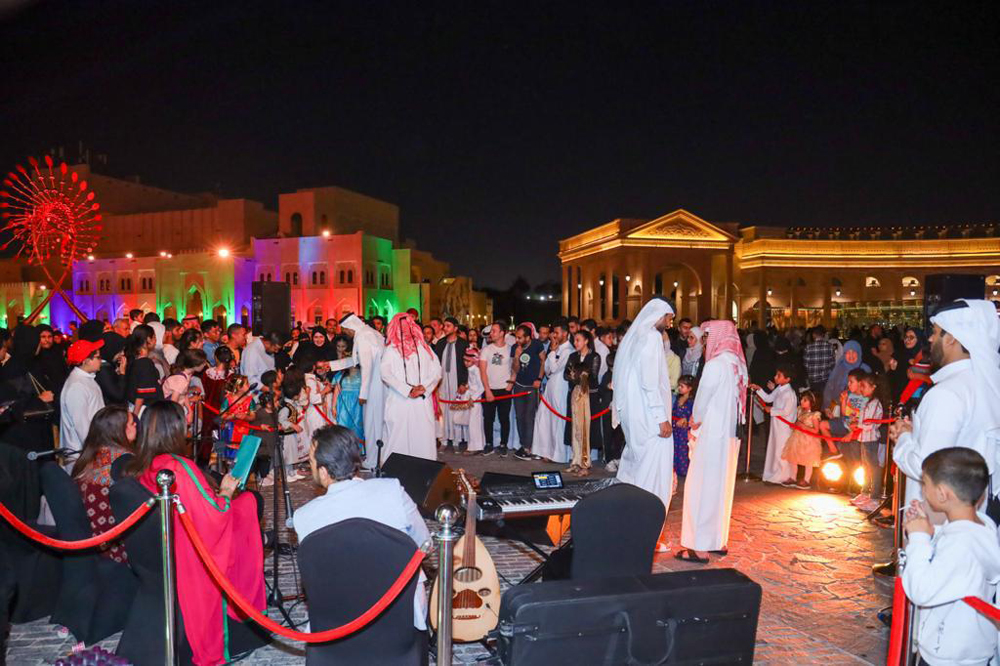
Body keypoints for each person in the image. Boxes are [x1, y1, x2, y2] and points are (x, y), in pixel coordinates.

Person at [126, 401, 266, 665]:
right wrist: (225, 491)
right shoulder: (178, 466)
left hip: (169, 540)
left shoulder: (145, 462)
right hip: (194, 545)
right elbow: (215, 514)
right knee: (248, 503)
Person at [292, 425, 431, 629]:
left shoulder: (304, 517)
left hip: (337, 622)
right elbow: (424, 545)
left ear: (323, 472)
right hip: (401, 616)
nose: (310, 466)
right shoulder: (392, 491)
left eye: (311, 462)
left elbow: (316, 578)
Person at [892, 300, 1000, 511]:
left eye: (935, 332)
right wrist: (916, 433)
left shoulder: (947, 393)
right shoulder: (982, 384)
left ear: (951, 338)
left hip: (938, 521)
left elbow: (928, 468)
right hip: (969, 514)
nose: (930, 338)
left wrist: (903, 438)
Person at [901, 447, 1000, 666]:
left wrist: (918, 538)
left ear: (943, 494)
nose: (922, 490)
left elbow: (921, 590)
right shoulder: (982, 525)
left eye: (924, 484)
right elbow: (958, 554)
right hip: (967, 647)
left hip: (948, 655)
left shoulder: (961, 545)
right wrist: (930, 531)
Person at [678, 319, 747, 563]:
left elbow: (701, 401)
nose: (706, 342)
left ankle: (699, 547)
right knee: (721, 488)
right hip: (728, 435)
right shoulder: (737, 363)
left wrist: (693, 422)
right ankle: (718, 540)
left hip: (711, 434)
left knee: (701, 487)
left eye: (707, 337)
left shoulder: (716, 365)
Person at [611, 298, 675, 549]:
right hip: (649, 419)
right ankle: (646, 533)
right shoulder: (650, 338)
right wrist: (661, 418)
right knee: (652, 473)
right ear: (658, 314)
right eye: (669, 317)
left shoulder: (636, 336)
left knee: (634, 468)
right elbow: (650, 382)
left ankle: (626, 524)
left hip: (636, 417)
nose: (669, 323)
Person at [70, 405, 136, 563]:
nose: (136, 427)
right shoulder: (124, 461)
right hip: (116, 548)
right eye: (132, 423)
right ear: (120, 430)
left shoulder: (88, 456)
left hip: (87, 543)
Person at [379, 313, 442, 461]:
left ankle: (425, 470)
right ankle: (395, 470)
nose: (406, 330)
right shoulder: (391, 349)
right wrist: (407, 390)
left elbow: (437, 371)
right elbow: (385, 373)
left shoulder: (424, 348)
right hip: (399, 400)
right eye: (402, 327)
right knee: (398, 435)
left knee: (422, 435)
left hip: (421, 400)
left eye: (409, 326)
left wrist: (424, 388)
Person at [339, 312, 387, 469]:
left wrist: (363, 393)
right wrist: (331, 365)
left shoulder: (363, 337)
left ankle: (373, 461)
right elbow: (356, 361)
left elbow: (366, 366)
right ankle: (378, 457)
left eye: (346, 330)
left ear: (351, 327)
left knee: (371, 423)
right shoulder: (371, 333)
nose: (346, 334)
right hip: (379, 385)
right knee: (377, 423)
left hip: (373, 387)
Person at [59, 339, 106, 466]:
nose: (101, 360)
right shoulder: (76, 386)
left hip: (93, 450)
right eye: (98, 357)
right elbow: (82, 426)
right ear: (86, 360)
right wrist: (97, 454)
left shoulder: (86, 379)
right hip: (83, 456)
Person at [532, 319, 572, 463]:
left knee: (557, 421)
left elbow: (556, 369)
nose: (554, 335)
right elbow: (548, 371)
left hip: (560, 389)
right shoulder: (556, 349)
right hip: (550, 388)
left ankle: (558, 454)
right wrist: (553, 353)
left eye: (556, 332)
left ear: (565, 333)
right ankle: (545, 451)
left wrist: (553, 352)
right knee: (544, 418)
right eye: (553, 332)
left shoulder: (568, 351)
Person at [753, 363, 797, 486]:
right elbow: (768, 398)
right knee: (774, 448)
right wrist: (758, 389)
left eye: (779, 375)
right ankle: (773, 473)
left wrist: (771, 410)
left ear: (787, 379)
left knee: (781, 449)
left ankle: (783, 475)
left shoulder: (789, 393)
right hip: (776, 424)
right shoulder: (779, 388)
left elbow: (786, 411)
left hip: (784, 426)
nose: (776, 377)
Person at [433, 317, 468, 453]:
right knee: (443, 409)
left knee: (456, 408)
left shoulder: (463, 344)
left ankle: (456, 440)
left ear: (455, 328)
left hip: (456, 380)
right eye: (444, 326)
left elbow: (465, 366)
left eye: (448, 326)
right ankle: (443, 439)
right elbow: (435, 365)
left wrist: (463, 382)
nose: (445, 328)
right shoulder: (440, 343)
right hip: (442, 381)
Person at [479, 321, 513, 456]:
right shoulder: (486, 349)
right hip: (489, 389)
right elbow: (483, 371)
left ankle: (503, 444)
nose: (491, 333)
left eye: (494, 331)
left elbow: (515, 367)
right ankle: (489, 444)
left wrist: (510, 384)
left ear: (502, 333)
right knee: (488, 418)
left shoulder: (510, 349)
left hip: (504, 389)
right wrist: (487, 390)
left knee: (504, 418)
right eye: (491, 331)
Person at [510, 324, 544, 461]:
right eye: (516, 337)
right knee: (519, 416)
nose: (517, 340)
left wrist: (539, 378)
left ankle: (529, 447)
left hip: (532, 386)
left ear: (528, 337)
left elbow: (543, 361)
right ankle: (524, 445)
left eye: (520, 337)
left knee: (529, 416)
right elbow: (515, 369)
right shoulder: (515, 348)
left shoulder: (536, 345)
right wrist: (517, 357)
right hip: (519, 385)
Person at [853, 373, 885, 512]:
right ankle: (865, 492)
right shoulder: (866, 401)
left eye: (864, 387)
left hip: (871, 438)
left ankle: (875, 497)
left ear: (873, 387)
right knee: (865, 466)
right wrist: (857, 424)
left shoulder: (875, 403)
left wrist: (859, 426)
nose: (861, 389)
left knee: (874, 467)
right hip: (864, 438)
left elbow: (872, 424)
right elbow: (863, 420)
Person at [781, 391, 823, 488]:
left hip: (809, 440)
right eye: (801, 400)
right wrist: (795, 425)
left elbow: (816, 430)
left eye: (805, 400)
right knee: (793, 457)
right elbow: (797, 422)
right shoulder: (800, 410)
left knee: (808, 460)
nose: (802, 402)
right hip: (797, 438)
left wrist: (803, 427)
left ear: (812, 402)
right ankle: (792, 477)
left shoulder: (814, 415)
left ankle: (806, 479)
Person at [331, 336, 364, 443]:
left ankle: (358, 449)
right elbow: (337, 389)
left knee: (358, 426)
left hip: (358, 404)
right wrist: (333, 406)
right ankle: (344, 448)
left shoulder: (363, 373)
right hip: (344, 402)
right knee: (343, 425)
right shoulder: (340, 374)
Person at [124, 325, 162, 416]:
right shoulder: (145, 363)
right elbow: (141, 394)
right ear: (148, 339)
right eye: (154, 337)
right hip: (144, 410)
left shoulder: (134, 359)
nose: (156, 341)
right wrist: (135, 417)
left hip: (137, 407)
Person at [566, 360, 594, 476]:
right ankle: (576, 462)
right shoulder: (577, 388)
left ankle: (584, 465)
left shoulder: (583, 391)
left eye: (573, 372)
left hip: (582, 420)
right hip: (576, 418)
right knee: (575, 437)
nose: (571, 374)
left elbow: (583, 410)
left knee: (583, 438)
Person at [672, 375, 696, 478]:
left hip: (684, 431)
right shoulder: (677, 399)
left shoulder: (691, 402)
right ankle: (675, 470)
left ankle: (685, 471)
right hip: (676, 428)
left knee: (684, 451)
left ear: (690, 388)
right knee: (675, 449)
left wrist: (686, 421)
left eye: (682, 386)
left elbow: (692, 416)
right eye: (679, 386)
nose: (679, 388)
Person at [804, 326, 836, 396]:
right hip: (825, 379)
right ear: (823, 335)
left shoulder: (808, 347)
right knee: (825, 399)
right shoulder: (830, 346)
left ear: (814, 335)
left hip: (813, 379)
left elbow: (806, 365)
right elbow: (833, 365)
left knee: (815, 400)